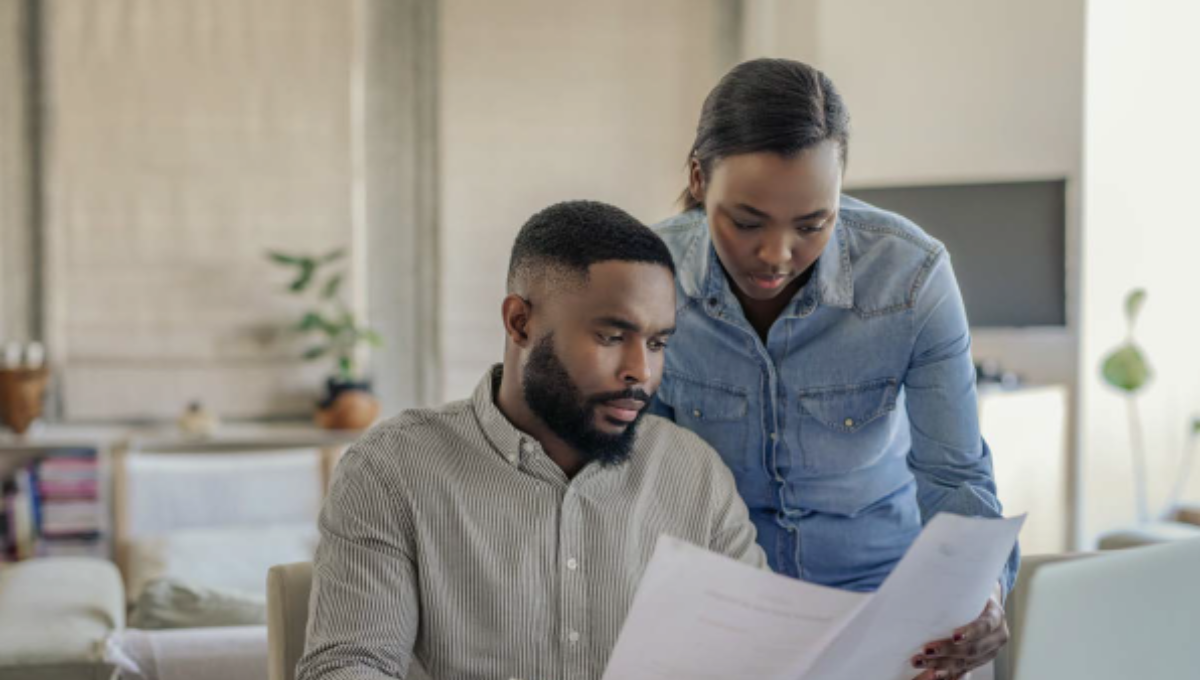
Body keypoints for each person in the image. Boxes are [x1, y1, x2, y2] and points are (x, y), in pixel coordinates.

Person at [650, 58, 1018, 679]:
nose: (776, 255)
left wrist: (983, 594)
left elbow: (956, 477)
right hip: (722, 611)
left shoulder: (912, 278)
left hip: (886, 607)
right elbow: (634, 485)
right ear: (697, 177)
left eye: (812, 224)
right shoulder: (647, 277)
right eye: (746, 222)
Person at [296, 200, 765, 680]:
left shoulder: (694, 472)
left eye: (657, 343)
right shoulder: (393, 469)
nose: (641, 372)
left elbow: (762, 653)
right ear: (520, 322)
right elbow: (351, 666)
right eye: (609, 336)